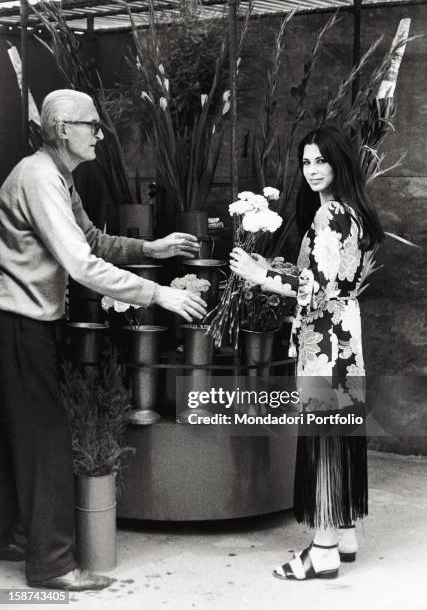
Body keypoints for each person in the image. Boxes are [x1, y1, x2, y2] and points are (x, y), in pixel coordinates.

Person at [0, 89, 207, 591]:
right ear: (62, 129)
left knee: (18, 436)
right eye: (91, 125)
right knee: (46, 440)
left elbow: (92, 238)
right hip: (18, 321)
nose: (99, 133)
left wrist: (148, 246)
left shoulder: (57, 175)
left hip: (25, 319)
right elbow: (81, 263)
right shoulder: (39, 177)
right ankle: (52, 565)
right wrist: (156, 293)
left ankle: (14, 536)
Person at [229, 125, 383, 580]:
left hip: (324, 339)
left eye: (321, 160)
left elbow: (316, 286)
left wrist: (259, 274)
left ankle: (323, 549)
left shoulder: (329, 215)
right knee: (339, 432)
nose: (312, 170)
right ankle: (346, 534)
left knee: (324, 436)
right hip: (344, 337)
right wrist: (277, 271)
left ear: (339, 163)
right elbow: (329, 278)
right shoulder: (351, 213)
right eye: (306, 162)